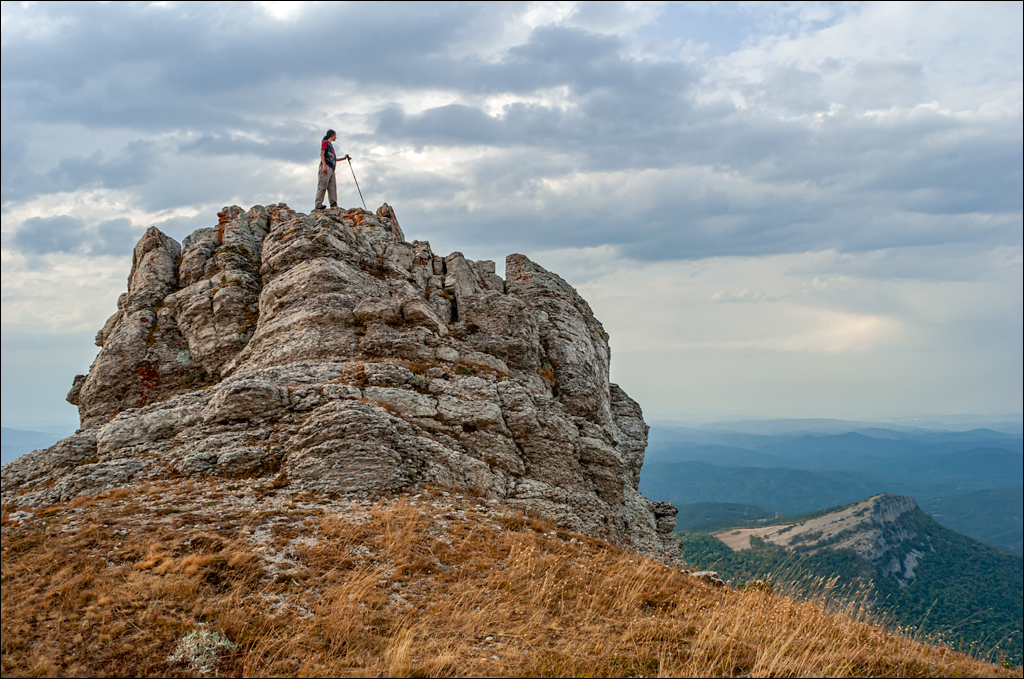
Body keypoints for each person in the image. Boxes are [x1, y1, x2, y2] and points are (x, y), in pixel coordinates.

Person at [315, 130, 350, 210]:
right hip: (326, 165)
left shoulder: (331, 146)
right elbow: (322, 154)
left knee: (332, 186)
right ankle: (318, 203)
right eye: (335, 135)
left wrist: (344, 158)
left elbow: (333, 159)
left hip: (331, 168)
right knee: (323, 184)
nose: (336, 137)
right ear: (332, 135)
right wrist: (324, 165)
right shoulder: (325, 142)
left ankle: (333, 203)